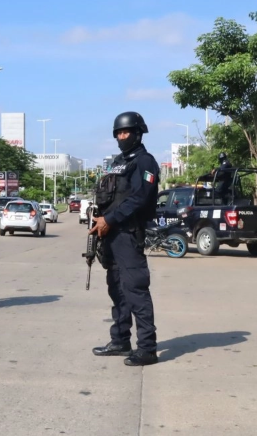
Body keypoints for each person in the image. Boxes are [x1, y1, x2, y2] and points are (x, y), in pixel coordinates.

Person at [89, 112, 161, 366]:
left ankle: (147, 348)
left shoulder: (145, 162)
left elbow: (139, 198)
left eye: (126, 132)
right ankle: (120, 339)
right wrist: (99, 218)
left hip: (129, 233)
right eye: (118, 133)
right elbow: (107, 195)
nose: (122, 136)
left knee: (135, 290)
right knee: (116, 288)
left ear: (138, 133)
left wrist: (111, 219)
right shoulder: (117, 162)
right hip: (110, 234)